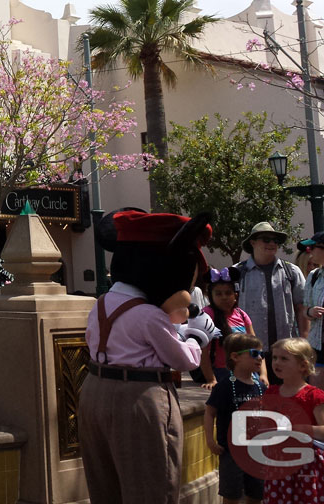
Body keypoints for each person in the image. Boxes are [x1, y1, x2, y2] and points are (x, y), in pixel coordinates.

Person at [79, 209, 218, 504]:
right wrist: (196, 336)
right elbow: (183, 360)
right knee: (151, 486)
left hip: (94, 392)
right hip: (139, 398)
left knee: (105, 487)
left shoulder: (101, 303)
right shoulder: (148, 314)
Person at [232, 222, 307, 383]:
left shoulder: (291, 271)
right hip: (250, 352)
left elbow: (301, 308)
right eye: (266, 239)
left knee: (287, 399)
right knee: (254, 400)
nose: (272, 244)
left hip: (286, 349)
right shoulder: (237, 272)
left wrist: (303, 342)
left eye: (276, 241)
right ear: (253, 242)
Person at [203, 333, 266, 504]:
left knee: (257, 494)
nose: (260, 358)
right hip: (231, 452)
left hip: (257, 451)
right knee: (232, 495)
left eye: (262, 354)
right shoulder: (224, 386)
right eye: (254, 353)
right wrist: (210, 440)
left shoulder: (260, 387)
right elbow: (209, 412)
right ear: (235, 356)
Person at [261, 338, 324, 502]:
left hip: (306, 463)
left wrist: (298, 429)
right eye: (274, 358)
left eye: (284, 359)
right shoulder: (271, 393)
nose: (276, 362)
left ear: (302, 365)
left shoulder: (313, 395)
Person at [198, 267, 263, 389]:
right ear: (210, 296)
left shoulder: (242, 315)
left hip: (248, 371)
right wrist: (211, 379)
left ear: (235, 295)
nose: (224, 297)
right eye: (218, 294)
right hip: (222, 372)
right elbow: (203, 352)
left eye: (228, 293)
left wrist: (263, 374)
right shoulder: (207, 315)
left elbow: (256, 348)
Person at [300, 231, 324, 387]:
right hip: (318, 347)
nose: (309, 253)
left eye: (311, 248)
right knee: (317, 394)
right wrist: (310, 311)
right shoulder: (314, 276)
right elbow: (304, 309)